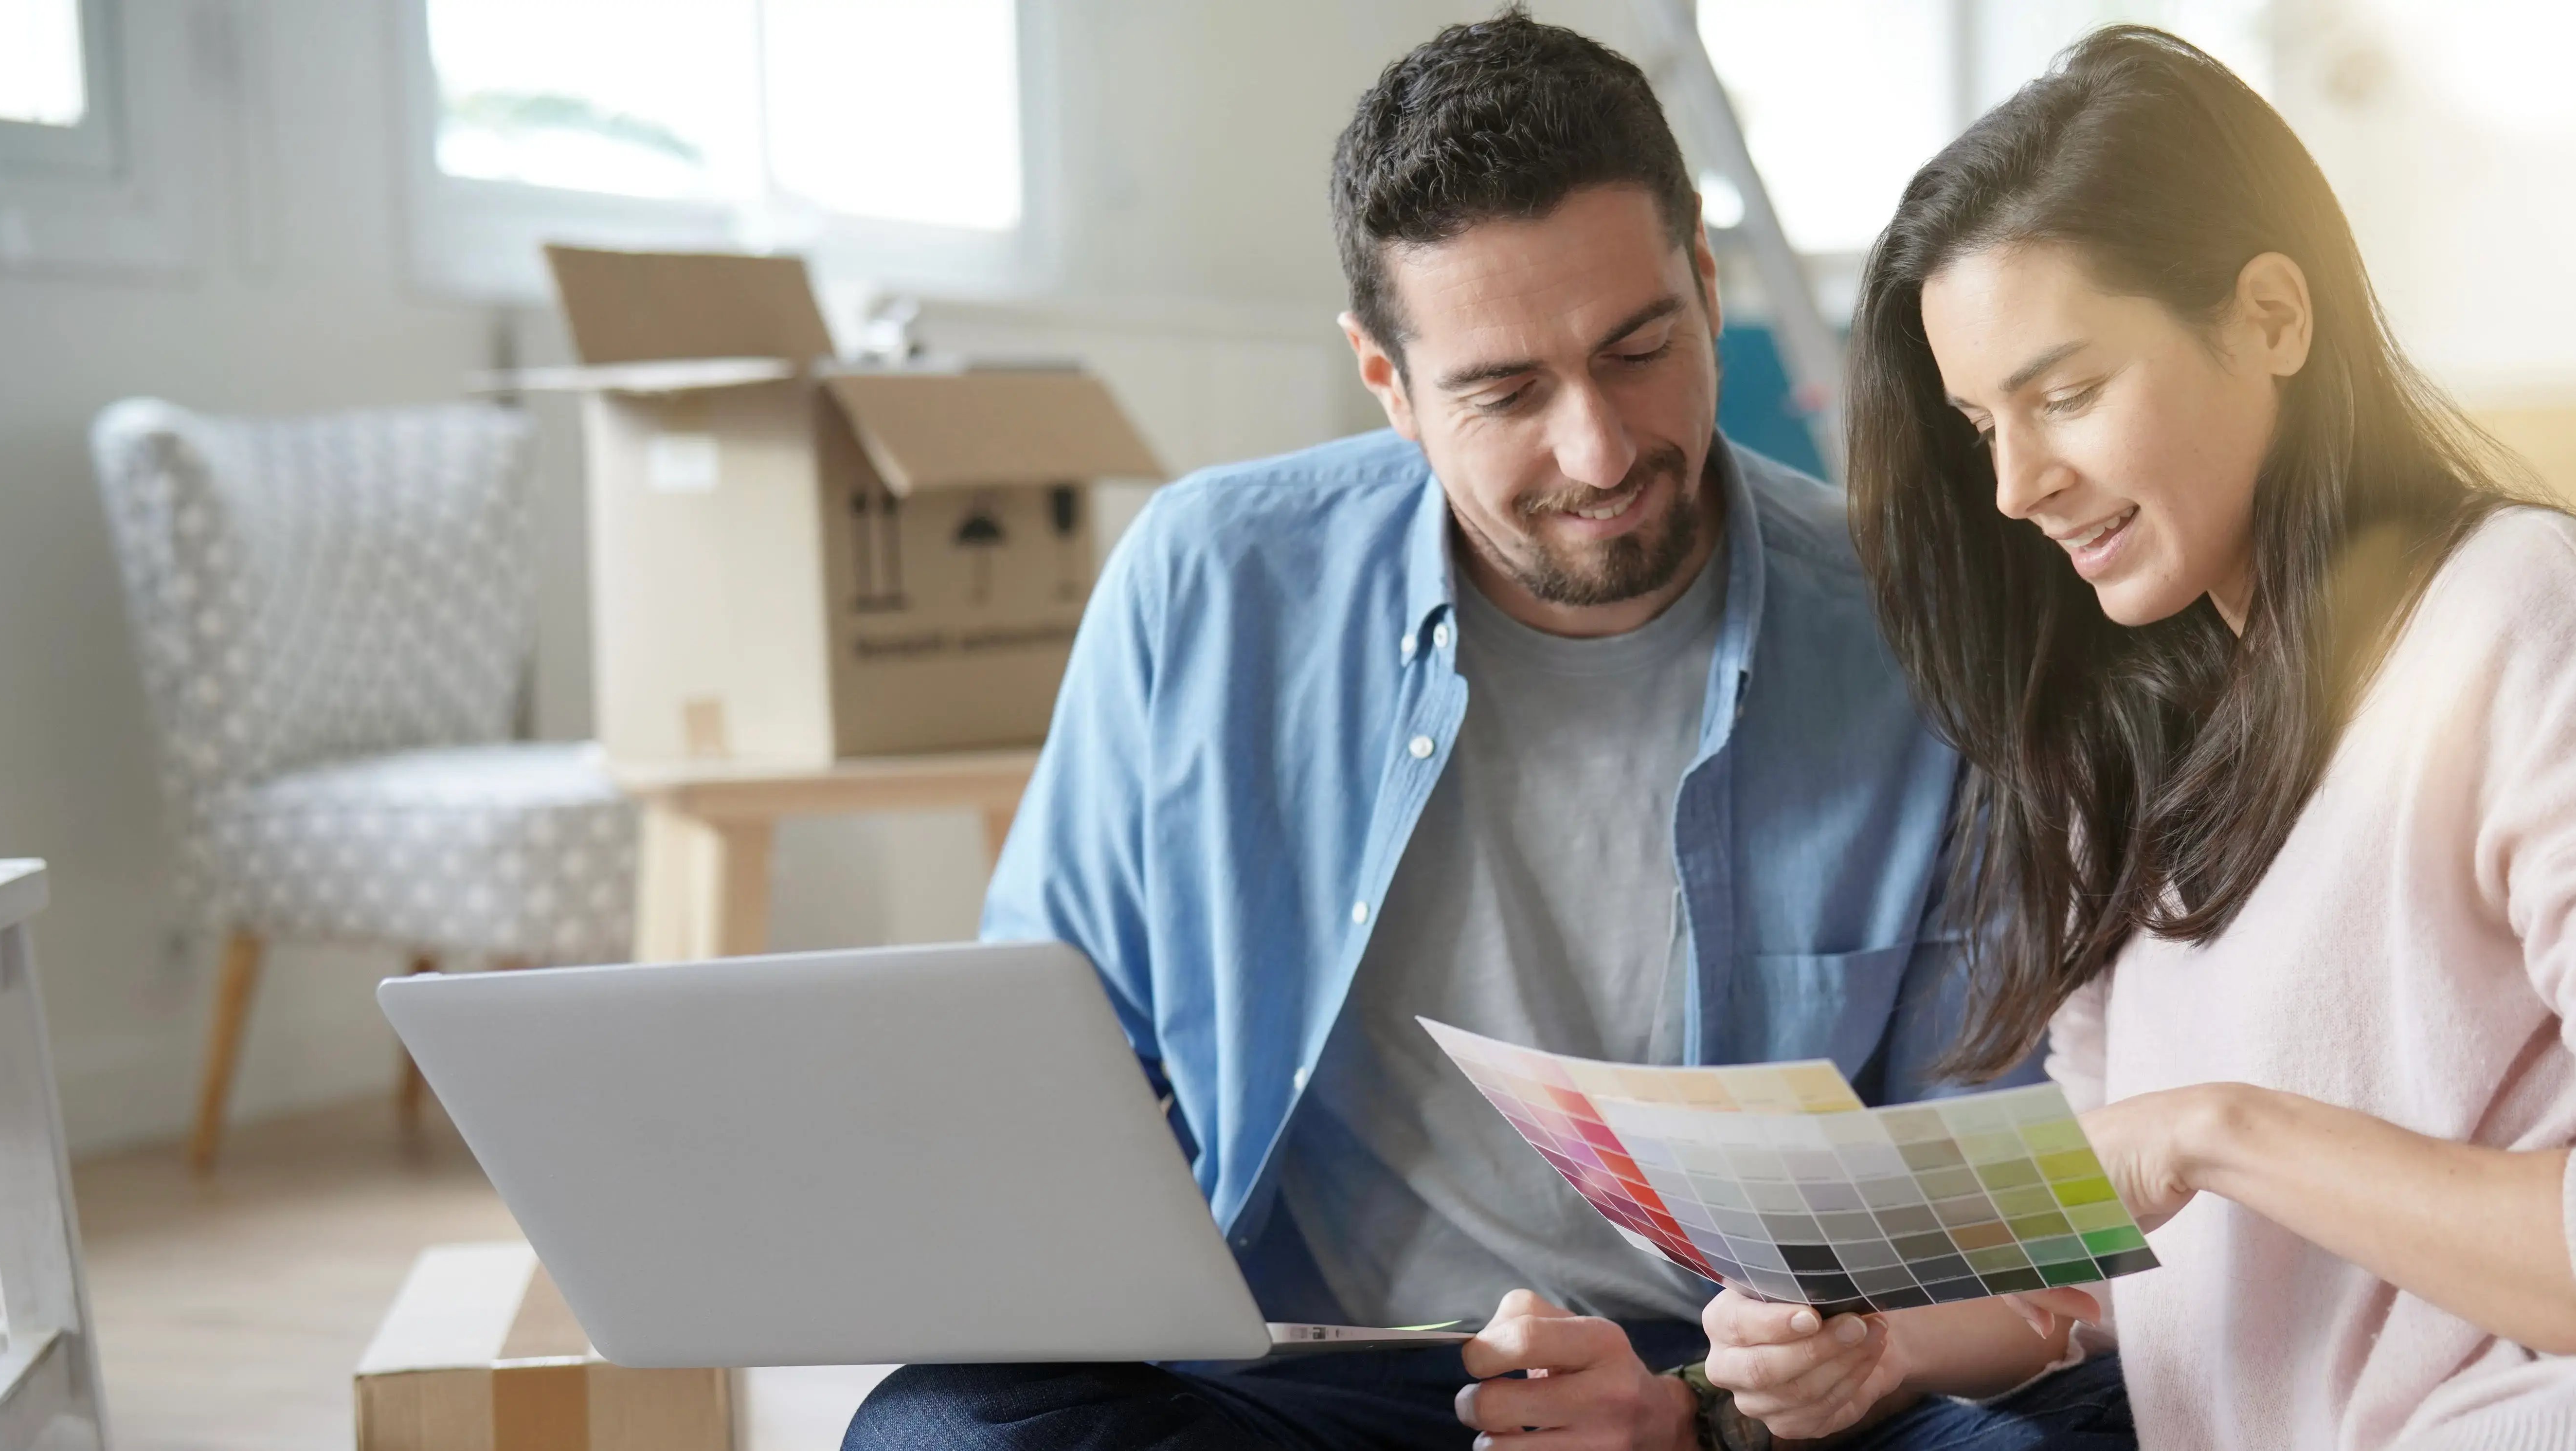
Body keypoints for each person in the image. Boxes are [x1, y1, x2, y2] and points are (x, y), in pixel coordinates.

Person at [840, 12, 2143, 1451]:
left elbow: (1982, 1218)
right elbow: (1051, 1056)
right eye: (1505, 394)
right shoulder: (1207, 583)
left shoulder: (1924, 627)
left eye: (1638, 349)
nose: (1599, 452)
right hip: (1323, 1365)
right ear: (1386, 382)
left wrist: (1706, 1404)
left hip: (1748, 1384)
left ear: (1707, 289)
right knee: (942, 1434)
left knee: (2091, 1425)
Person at [1698, 23, 2576, 1451]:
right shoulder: (2127, 724)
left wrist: (2221, 1133)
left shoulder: (2529, 622)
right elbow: (2142, 1275)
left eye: (2065, 395)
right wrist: (1874, 1344)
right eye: (1976, 424)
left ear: (2269, 315)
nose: (2012, 485)